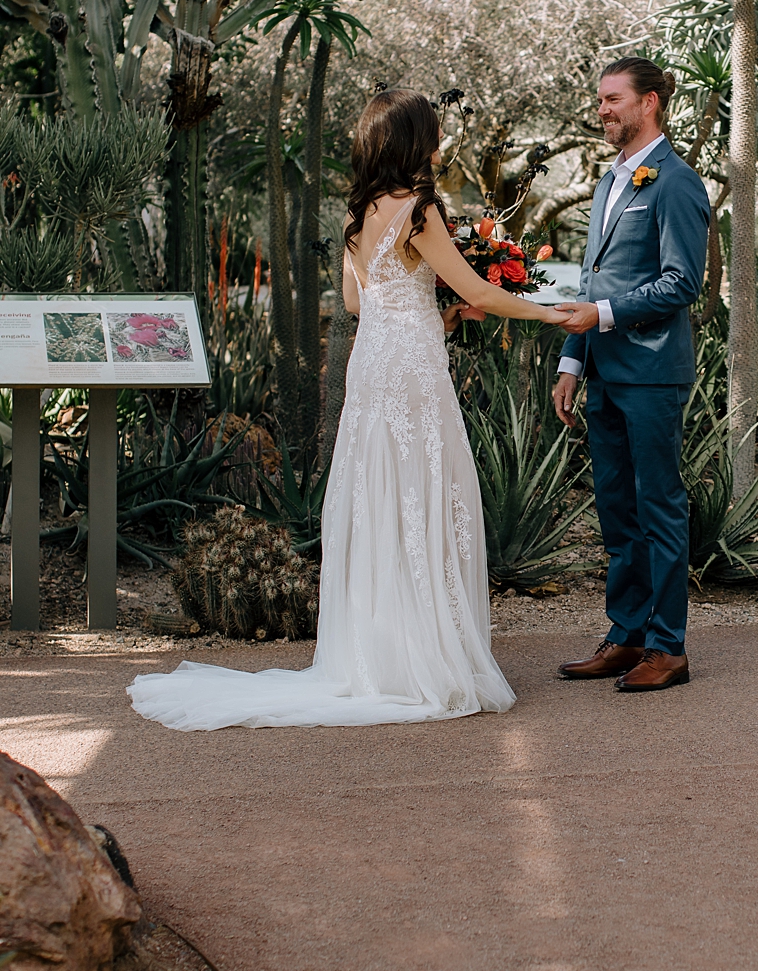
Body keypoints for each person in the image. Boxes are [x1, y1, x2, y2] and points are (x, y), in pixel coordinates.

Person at [128, 89, 574, 729]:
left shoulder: (360, 212)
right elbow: (476, 287)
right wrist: (546, 311)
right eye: (434, 135)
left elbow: (362, 304)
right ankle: (424, 656)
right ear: (413, 143)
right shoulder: (420, 210)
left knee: (379, 495)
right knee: (425, 491)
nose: (440, 145)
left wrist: (437, 313)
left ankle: (375, 656)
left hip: (374, 361)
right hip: (412, 367)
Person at [550, 57, 710, 693]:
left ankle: (668, 649)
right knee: (617, 509)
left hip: (650, 370)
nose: (603, 110)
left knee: (659, 508)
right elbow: (592, 280)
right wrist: (571, 362)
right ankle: (626, 636)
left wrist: (602, 315)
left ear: (651, 103)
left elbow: (681, 283)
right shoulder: (608, 183)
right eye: (600, 101)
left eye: (614, 99)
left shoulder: (675, 182)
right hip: (602, 370)